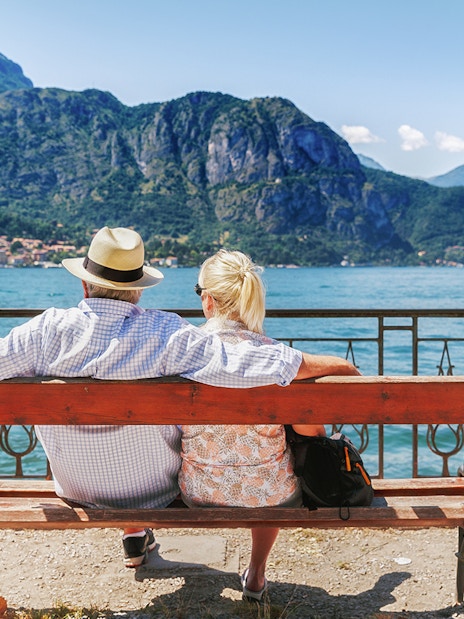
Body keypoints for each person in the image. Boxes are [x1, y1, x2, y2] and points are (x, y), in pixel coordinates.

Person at [0, 226, 359, 568]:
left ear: (84, 284)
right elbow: (241, 360)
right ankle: (139, 527)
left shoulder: (42, 331)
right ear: (139, 289)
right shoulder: (164, 333)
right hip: (152, 492)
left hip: (73, 486)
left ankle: (134, 534)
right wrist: (334, 364)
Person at [178, 249, 356, 602]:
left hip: (197, 494)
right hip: (272, 497)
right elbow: (344, 378)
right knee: (271, 468)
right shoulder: (278, 357)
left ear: (208, 300)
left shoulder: (180, 350)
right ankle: (256, 574)